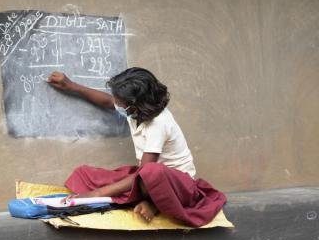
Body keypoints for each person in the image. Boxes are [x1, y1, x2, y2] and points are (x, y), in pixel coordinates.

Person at [46, 67, 224, 225]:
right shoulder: (135, 113)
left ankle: (154, 204)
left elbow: (145, 173)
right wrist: (71, 86)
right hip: (145, 180)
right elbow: (108, 102)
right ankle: (150, 201)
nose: (116, 104)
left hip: (177, 187)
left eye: (121, 103)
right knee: (83, 174)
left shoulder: (158, 123)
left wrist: (97, 194)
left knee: (150, 172)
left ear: (135, 106)